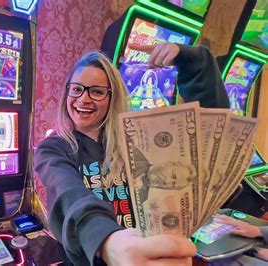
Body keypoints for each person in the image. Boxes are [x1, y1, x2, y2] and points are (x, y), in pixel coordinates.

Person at [33, 42, 229, 265]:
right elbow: (69, 193)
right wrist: (107, 240)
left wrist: (193, 60)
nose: (83, 99)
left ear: (112, 98)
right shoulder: (53, 148)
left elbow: (212, 130)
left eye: (96, 92)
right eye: (77, 89)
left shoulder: (135, 141)